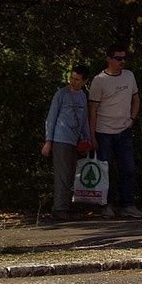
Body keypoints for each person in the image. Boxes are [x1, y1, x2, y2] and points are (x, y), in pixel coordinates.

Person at [88, 45, 142, 219]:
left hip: (124, 130)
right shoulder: (99, 80)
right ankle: (106, 205)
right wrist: (92, 135)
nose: (122, 62)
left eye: (123, 58)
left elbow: (136, 99)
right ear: (109, 59)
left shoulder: (129, 76)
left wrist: (131, 119)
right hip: (103, 131)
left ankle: (128, 204)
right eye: (118, 58)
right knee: (105, 169)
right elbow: (93, 110)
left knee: (128, 168)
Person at [41, 65, 92, 221]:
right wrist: (48, 141)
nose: (73, 82)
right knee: (63, 174)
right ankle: (59, 208)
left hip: (75, 139)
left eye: (77, 80)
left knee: (70, 174)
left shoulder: (83, 96)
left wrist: (87, 139)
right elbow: (51, 117)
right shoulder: (61, 94)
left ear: (84, 81)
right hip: (60, 138)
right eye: (72, 78)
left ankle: (64, 206)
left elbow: (84, 120)